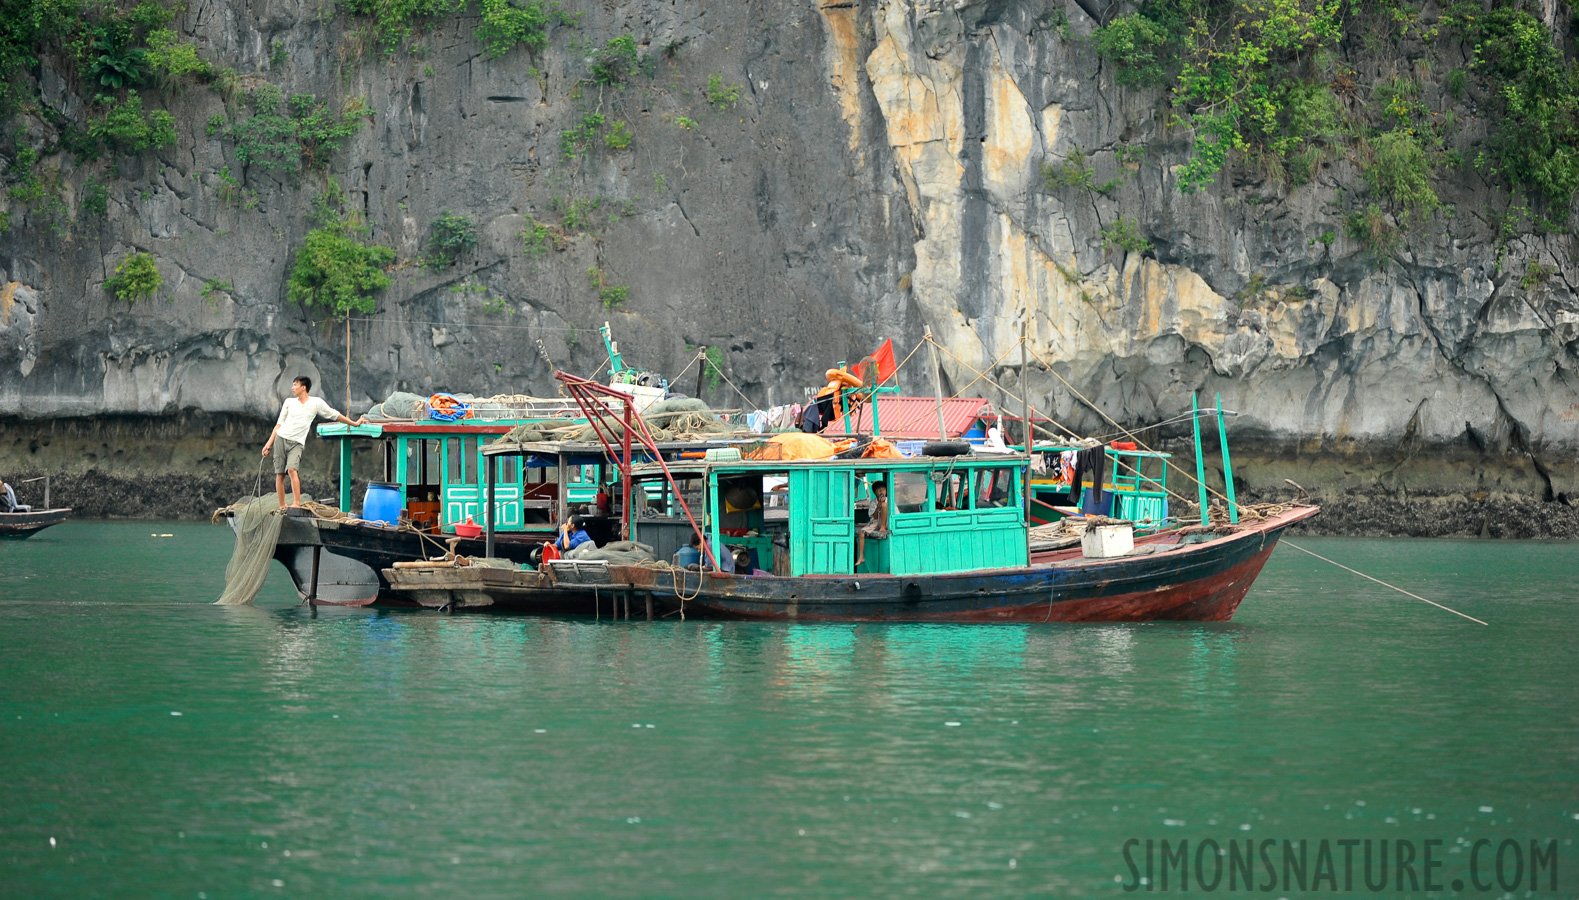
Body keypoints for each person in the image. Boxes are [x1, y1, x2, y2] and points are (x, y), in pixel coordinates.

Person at [262, 376, 365, 508]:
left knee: (292, 469)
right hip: (281, 439)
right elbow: (279, 425)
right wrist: (268, 445)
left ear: (303, 387)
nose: (292, 388)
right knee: (280, 474)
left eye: (295, 385)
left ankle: (296, 503)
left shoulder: (316, 403)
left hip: (297, 443)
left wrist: (354, 424)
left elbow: (334, 414)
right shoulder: (289, 402)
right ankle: (282, 506)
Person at [854, 480, 889, 567]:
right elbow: (875, 516)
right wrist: (878, 505)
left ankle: (883, 527)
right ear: (875, 492)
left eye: (883, 489)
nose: (881, 492)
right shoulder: (873, 502)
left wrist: (883, 504)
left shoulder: (889, 500)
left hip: (887, 521)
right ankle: (861, 557)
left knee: (885, 505)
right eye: (878, 490)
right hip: (875, 522)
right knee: (861, 533)